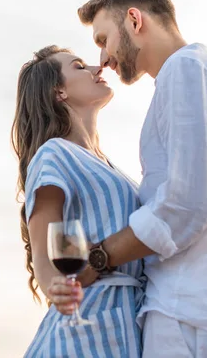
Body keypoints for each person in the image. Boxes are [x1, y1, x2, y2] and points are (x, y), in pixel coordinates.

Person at [64, 0, 207, 357]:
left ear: (134, 19)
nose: (103, 58)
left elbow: (186, 204)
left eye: (103, 39)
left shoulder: (187, 70)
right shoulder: (203, 74)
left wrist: (99, 257)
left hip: (192, 315)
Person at [11, 45, 146, 357]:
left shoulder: (108, 165)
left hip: (128, 329)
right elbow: (47, 257)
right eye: (79, 66)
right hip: (83, 335)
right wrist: (55, 286)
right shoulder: (54, 154)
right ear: (58, 91)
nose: (97, 69)